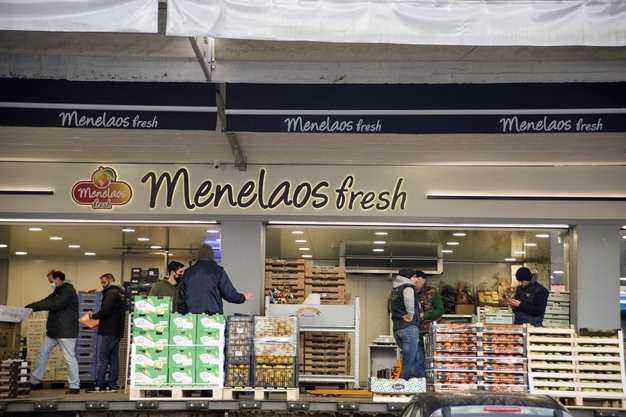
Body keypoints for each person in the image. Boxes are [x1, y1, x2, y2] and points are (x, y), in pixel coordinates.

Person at [25, 270, 81, 394]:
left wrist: (33, 307)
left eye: (51, 281)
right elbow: (46, 300)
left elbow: (55, 304)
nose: (50, 284)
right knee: (42, 353)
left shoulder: (68, 291)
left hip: (66, 331)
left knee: (69, 358)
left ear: (58, 280)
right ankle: (34, 381)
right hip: (54, 331)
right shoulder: (58, 291)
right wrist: (31, 306)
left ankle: (74, 385)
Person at [177, 244, 253, 315]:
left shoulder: (188, 273)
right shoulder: (218, 271)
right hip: (213, 318)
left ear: (199, 256)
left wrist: (183, 316)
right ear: (212, 256)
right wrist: (243, 297)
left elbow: (181, 299)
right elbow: (229, 294)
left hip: (192, 319)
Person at [86, 273, 126, 393]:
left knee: (103, 357)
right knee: (113, 357)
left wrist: (93, 316)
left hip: (109, 330)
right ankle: (112, 385)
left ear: (111, 280)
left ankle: (99, 384)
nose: (102, 285)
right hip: (117, 331)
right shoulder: (120, 293)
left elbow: (106, 311)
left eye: (104, 282)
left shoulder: (110, 293)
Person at [390, 268, 420, 380]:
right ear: (408, 278)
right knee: (410, 361)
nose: (416, 280)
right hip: (408, 328)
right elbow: (408, 299)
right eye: (414, 277)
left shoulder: (395, 289)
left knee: (408, 359)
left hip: (397, 329)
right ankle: (404, 386)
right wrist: (411, 315)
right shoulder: (408, 287)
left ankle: (405, 384)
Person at [414, 270, 444, 378]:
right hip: (416, 332)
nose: (415, 281)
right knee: (418, 361)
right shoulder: (410, 292)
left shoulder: (432, 292)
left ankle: (431, 383)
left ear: (424, 279)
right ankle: (420, 383)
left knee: (431, 361)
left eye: (418, 278)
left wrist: (426, 315)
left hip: (430, 332)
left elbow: (440, 311)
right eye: (414, 278)